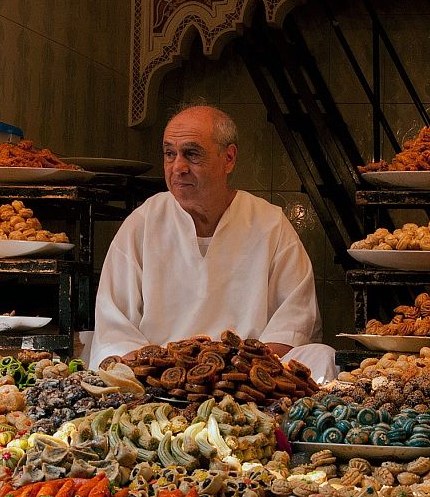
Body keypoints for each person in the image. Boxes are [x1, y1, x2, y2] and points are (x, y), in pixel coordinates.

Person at [89, 105, 336, 381]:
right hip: (160, 377)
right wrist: (173, 374)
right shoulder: (144, 222)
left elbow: (294, 325)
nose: (178, 167)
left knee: (319, 355)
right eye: (170, 154)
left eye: (191, 154)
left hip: (245, 375)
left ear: (228, 158)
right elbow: (115, 330)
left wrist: (231, 375)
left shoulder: (269, 223)